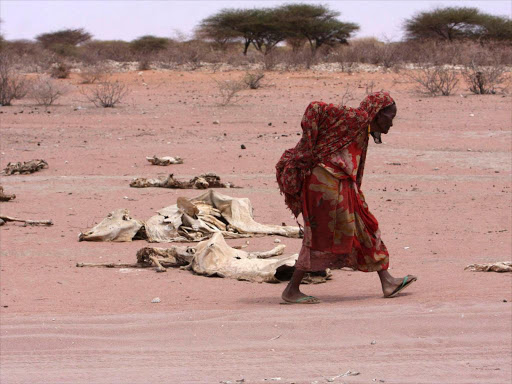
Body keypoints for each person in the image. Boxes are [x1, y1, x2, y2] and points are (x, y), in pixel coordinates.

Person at [276, 91, 417, 304]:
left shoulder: (362, 127)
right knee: (319, 235)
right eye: (390, 117)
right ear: (378, 113)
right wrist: (308, 145)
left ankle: (387, 281)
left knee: (365, 226)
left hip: (340, 182)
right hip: (324, 182)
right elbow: (315, 107)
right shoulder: (357, 118)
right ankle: (291, 290)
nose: (391, 124)